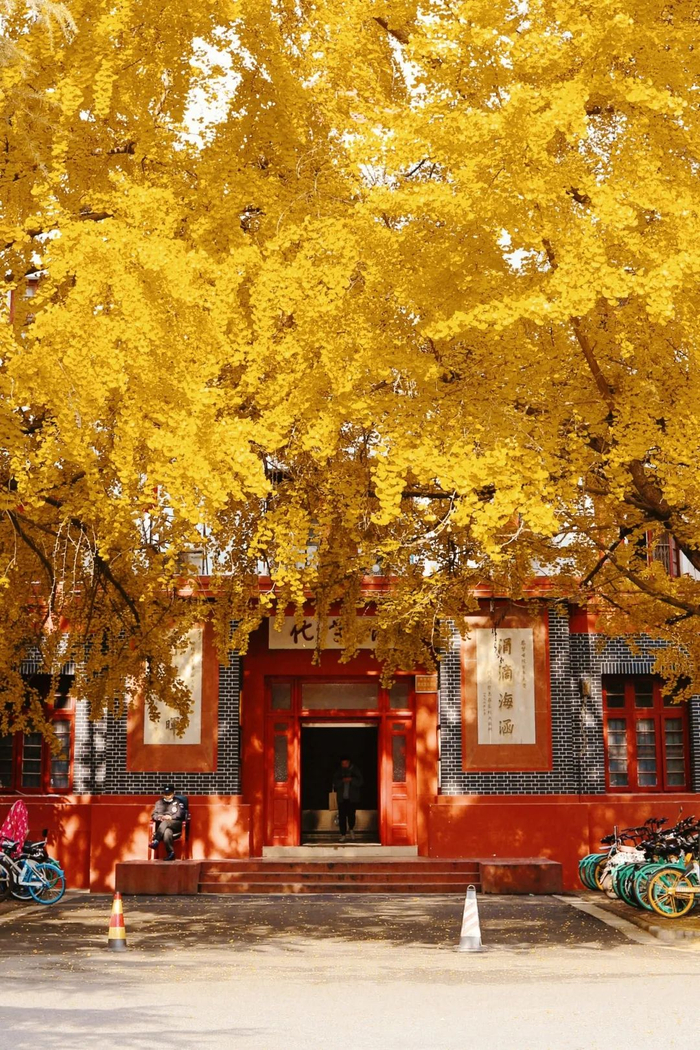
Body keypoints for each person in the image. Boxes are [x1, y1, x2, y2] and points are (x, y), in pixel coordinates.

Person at [149, 785, 186, 861]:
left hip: (176, 824)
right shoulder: (159, 803)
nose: (167, 796)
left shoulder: (178, 802)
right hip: (164, 826)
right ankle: (171, 853)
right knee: (167, 832)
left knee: (166, 822)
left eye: (169, 794)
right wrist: (159, 817)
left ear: (173, 794)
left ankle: (156, 840)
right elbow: (154, 815)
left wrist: (170, 817)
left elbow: (181, 814)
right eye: (165, 794)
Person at [332, 756, 363, 843]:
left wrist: (351, 779)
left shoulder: (355, 770)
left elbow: (360, 781)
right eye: (343, 763)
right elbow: (335, 782)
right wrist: (342, 780)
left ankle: (351, 829)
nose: (344, 765)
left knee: (351, 815)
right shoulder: (339, 771)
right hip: (342, 798)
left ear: (349, 763)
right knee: (342, 816)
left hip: (352, 798)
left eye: (346, 763)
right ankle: (343, 834)